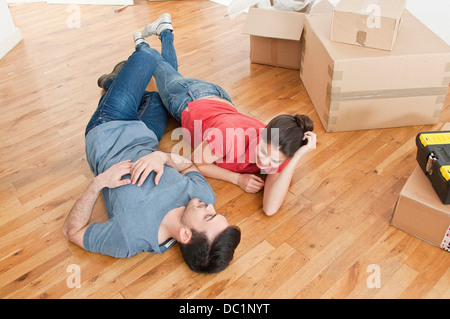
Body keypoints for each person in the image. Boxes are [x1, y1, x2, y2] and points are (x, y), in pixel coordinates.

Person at [62, 26, 241, 274]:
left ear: (186, 234)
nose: (210, 206)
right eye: (216, 212)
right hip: (146, 134)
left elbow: (73, 232)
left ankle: (116, 83)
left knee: (146, 57)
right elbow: (190, 166)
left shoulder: (129, 237)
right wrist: (162, 157)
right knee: (157, 99)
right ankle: (114, 82)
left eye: (208, 216)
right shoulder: (203, 197)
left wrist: (99, 183)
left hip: (108, 127)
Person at [134, 13, 317, 216]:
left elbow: (270, 208)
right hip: (188, 98)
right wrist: (237, 179)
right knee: (159, 68)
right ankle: (141, 44)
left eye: (274, 161)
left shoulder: (278, 147)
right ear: (263, 133)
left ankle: (165, 31)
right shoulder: (230, 137)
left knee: (170, 72)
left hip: (219, 101)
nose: (265, 164)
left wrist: (297, 156)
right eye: (263, 152)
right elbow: (198, 161)